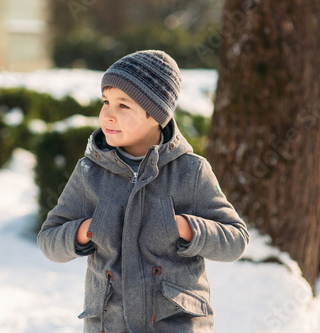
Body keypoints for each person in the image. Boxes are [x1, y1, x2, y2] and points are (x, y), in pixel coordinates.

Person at [37, 50, 250, 333]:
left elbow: (236, 239)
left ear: (156, 115)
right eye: (106, 102)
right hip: (109, 325)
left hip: (176, 325)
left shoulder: (191, 171)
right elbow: (49, 238)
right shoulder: (90, 171)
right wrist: (84, 231)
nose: (108, 115)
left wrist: (186, 227)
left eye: (123, 106)